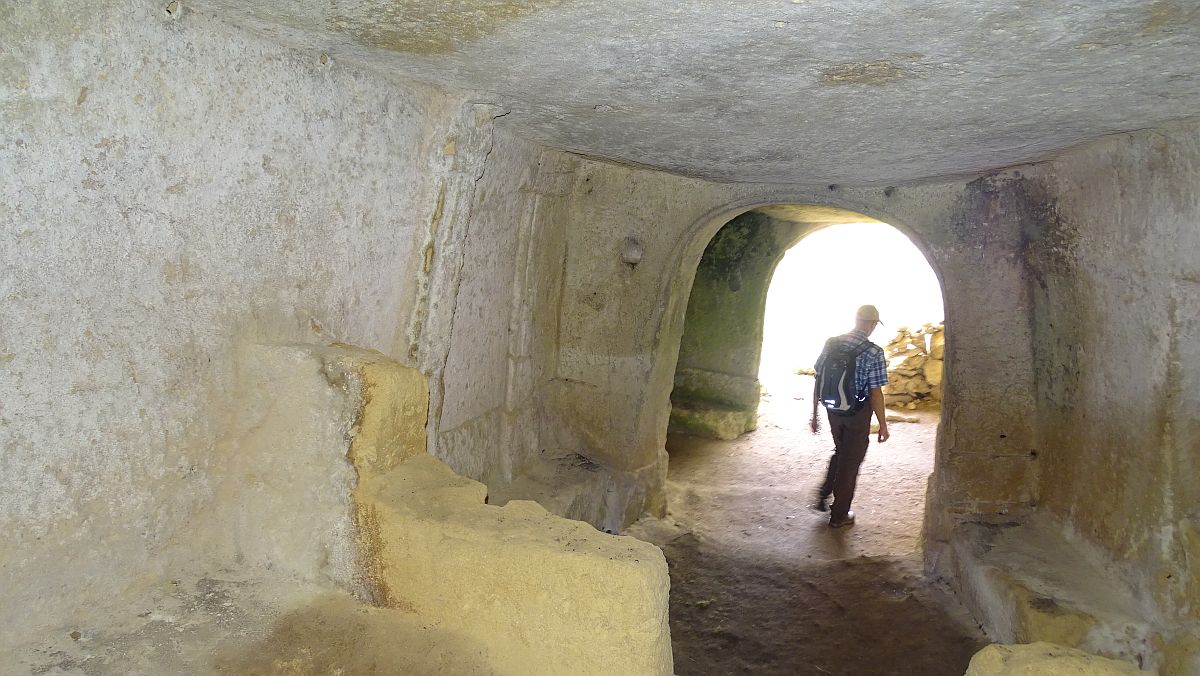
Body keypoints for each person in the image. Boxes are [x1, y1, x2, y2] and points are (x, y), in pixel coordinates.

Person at [809, 304, 890, 528]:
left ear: (856, 319)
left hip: (833, 410)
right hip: (857, 413)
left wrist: (815, 414)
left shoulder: (832, 343)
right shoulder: (874, 352)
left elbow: (818, 378)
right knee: (851, 462)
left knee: (841, 450)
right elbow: (876, 393)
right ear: (873, 324)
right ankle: (839, 516)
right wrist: (883, 425)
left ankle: (824, 493)